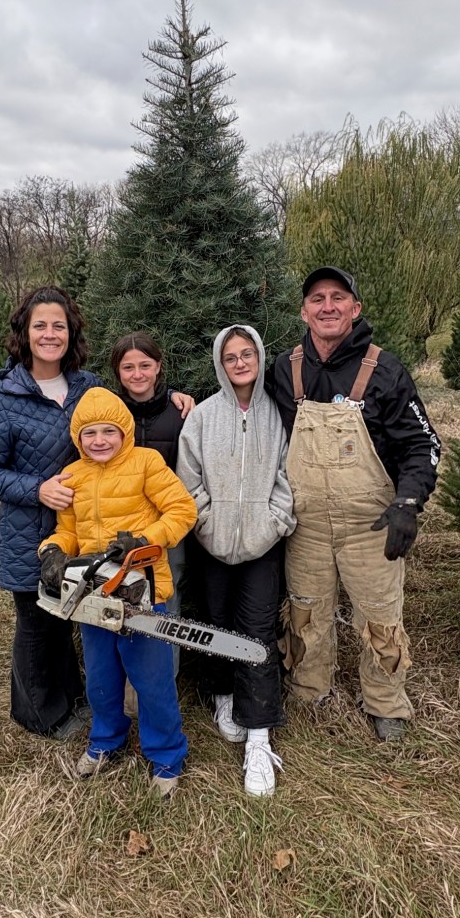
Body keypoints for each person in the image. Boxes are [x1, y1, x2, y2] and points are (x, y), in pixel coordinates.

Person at [268, 266, 441, 742]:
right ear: (304, 311)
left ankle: (386, 703)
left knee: (380, 616)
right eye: (317, 298)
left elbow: (422, 445)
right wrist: (181, 401)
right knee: (304, 612)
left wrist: (408, 503)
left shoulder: (385, 369)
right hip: (305, 525)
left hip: (371, 525)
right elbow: (244, 407)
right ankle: (309, 689)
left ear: (355, 308)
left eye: (338, 297)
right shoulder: (285, 368)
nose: (328, 306)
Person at [37, 387, 197, 798]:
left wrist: (144, 541)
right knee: (101, 675)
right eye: (90, 433)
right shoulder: (73, 474)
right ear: (78, 438)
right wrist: (52, 551)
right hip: (93, 594)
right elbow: (67, 530)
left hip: (140, 590)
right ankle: (106, 739)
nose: (100, 440)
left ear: (124, 431)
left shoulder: (146, 462)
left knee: (152, 679)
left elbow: (182, 510)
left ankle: (166, 755)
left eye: (109, 431)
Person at [0, 286, 100, 740]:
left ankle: (72, 698)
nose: (49, 334)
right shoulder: (5, 394)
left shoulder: (88, 387)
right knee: (37, 623)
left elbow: (124, 424)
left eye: (58, 326)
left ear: (71, 332)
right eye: (40, 325)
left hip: (81, 529)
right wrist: (37, 489)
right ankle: (38, 714)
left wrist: (177, 398)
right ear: (24, 333)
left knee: (66, 615)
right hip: (28, 531)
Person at [176, 325, 296, 796]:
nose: (241, 363)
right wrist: (207, 525)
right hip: (212, 543)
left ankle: (259, 737)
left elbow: (288, 477)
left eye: (248, 354)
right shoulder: (203, 417)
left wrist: (272, 523)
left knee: (258, 631)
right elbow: (188, 480)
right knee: (217, 621)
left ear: (260, 358)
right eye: (231, 357)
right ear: (220, 364)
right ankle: (223, 695)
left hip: (263, 546)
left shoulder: (277, 415)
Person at [111, 332, 187, 682]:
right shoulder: (110, 413)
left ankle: (164, 683)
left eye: (145, 365)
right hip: (119, 527)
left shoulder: (180, 412)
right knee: (119, 603)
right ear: (117, 371)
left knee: (166, 603)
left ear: (158, 367)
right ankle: (127, 689)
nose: (137, 374)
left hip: (166, 529)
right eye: (128, 367)